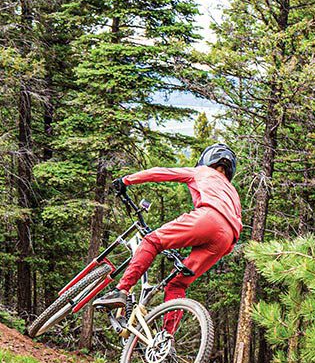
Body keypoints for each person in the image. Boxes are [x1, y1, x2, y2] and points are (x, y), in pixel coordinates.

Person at [93, 143, 242, 333]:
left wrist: (126, 181)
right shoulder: (233, 192)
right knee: (178, 284)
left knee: (152, 241)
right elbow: (236, 225)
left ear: (207, 159)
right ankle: (166, 340)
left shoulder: (202, 172)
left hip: (207, 218)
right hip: (227, 239)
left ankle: (121, 291)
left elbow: (159, 173)